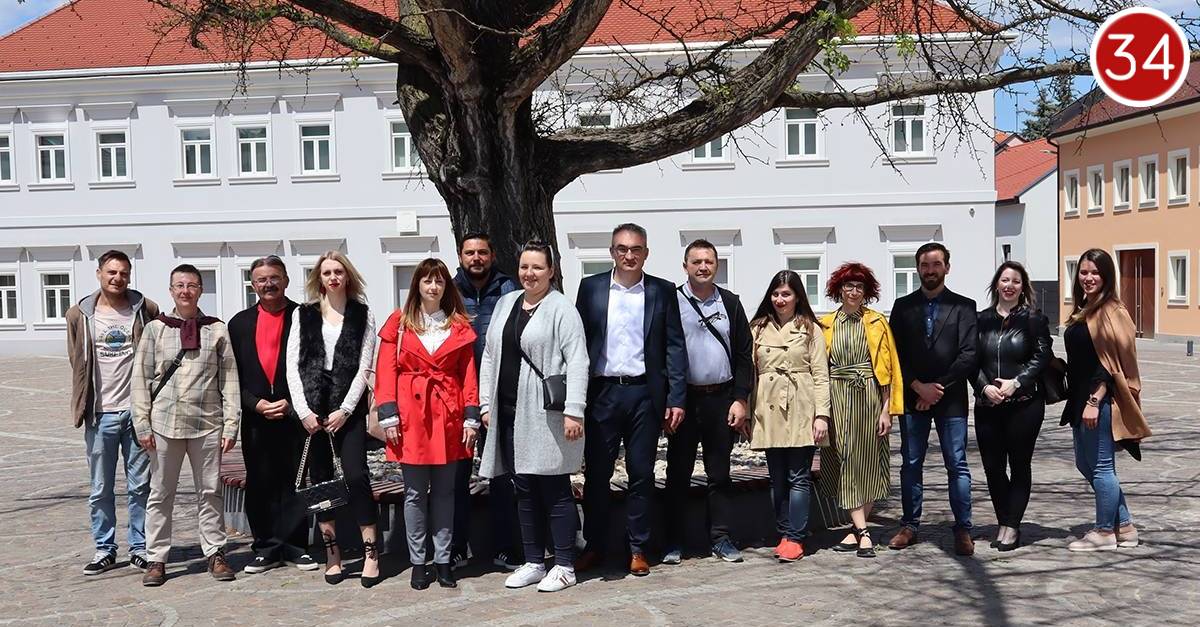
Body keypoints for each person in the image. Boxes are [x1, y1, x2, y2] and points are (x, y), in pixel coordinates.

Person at [574, 223, 688, 577]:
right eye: (622, 249)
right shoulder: (591, 288)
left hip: (644, 395)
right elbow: (578, 343)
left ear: (646, 253)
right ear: (612, 252)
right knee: (597, 474)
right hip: (602, 393)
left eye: (635, 249)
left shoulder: (661, 290)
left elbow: (674, 346)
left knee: (641, 473)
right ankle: (594, 545)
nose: (628, 255)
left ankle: (638, 547)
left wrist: (676, 397)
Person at [478, 241, 590, 592]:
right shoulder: (507, 302)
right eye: (524, 266)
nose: (529, 273)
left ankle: (565, 565)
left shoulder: (561, 308)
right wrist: (485, 404)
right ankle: (533, 561)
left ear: (551, 271)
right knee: (524, 489)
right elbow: (490, 356)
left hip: (547, 414)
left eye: (538, 267)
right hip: (509, 412)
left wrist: (575, 410)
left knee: (554, 488)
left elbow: (578, 360)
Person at [375, 258, 480, 590]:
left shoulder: (459, 325)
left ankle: (444, 560)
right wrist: (389, 415)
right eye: (427, 281)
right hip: (411, 418)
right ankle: (418, 562)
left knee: (446, 493)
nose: (433, 287)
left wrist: (471, 417)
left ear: (447, 286)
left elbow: (468, 376)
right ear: (417, 285)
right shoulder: (399, 322)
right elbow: (385, 372)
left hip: (448, 416)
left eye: (439, 281)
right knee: (415, 493)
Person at [133, 264, 240, 586]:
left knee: (209, 492)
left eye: (191, 285)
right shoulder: (155, 330)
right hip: (164, 424)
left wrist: (231, 425)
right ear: (171, 291)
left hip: (207, 424)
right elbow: (140, 379)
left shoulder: (216, 330)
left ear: (200, 290)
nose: (185, 291)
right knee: (160, 493)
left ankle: (215, 552)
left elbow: (229, 380)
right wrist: (142, 424)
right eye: (179, 285)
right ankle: (156, 558)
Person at [285, 251, 380, 587]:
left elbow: (365, 367)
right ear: (319, 278)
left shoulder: (363, 314)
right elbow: (292, 366)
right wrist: (303, 411)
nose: (333, 277)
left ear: (347, 275)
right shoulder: (303, 313)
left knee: (356, 476)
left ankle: (371, 553)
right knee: (322, 482)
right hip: (312, 409)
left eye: (338, 271)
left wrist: (347, 409)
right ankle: (332, 554)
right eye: (327, 273)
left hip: (346, 408)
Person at [67, 250, 160, 575]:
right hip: (100, 414)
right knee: (100, 488)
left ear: (129, 276)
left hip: (138, 414)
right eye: (111, 272)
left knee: (141, 487)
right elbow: (77, 360)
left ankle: (140, 547)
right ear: (99, 273)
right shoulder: (79, 314)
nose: (117, 278)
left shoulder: (145, 309)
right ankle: (104, 549)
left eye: (123, 273)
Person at [662, 240, 752, 565]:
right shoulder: (671, 301)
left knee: (720, 474)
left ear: (716, 265)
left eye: (709, 261)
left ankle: (721, 538)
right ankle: (673, 540)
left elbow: (744, 354)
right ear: (685, 266)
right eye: (696, 261)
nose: (703, 267)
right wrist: (668, 400)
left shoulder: (730, 302)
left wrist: (740, 399)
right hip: (683, 401)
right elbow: (660, 353)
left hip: (721, 399)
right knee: (678, 473)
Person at [227, 256, 317, 573]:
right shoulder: (238, 324)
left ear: (286, 280)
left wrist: (292, 403)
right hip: (256, 416)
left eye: (274, 278)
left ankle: (295, 547)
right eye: (262, 279)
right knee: (260, 482)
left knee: (295, 480)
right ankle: (265, 547)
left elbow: (313, 367)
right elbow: (231, 376)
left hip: (295, 414)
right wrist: (255, 404)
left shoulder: (305, 317)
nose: (269, 284)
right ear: (253, 284)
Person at [887, 242, 978, 556]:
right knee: (911, 463)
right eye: (925, 265)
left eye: (936, 264)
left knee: (957, 464)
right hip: (913, 399)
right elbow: (894, 353)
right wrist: (917, 386)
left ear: (947, 268)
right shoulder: (902, 307)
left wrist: (936, 388)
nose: (930, 270)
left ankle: (963, 528)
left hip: (950, 399)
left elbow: (969, 354)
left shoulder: (964, 306)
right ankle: (910, 525)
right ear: (917, 269)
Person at [1062, 249, 1151, 552]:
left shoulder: (1113, 311)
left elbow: (1114, 365)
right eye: (1083, 272)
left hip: (1099, 402)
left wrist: (1094, 399)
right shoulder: (1085, 309)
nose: (1088, 278)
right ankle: (1124, 527)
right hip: (1079, 399)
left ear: (1106, 276)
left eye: (1095, 273)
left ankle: (1103, 532)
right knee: (1085, 464)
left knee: (1101, 467)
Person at [817, 262, 903, 558]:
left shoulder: (877, 322)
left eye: (859, 287)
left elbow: (888, 368)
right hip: (837, 395)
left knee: (870, 462)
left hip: (869, 396)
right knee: (847, 459)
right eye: (848, 286)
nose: (853, 291)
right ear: (838, 289)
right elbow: (819, 368)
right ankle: (864, 532)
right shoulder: (826, 324)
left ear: (866, 291)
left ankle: (856, 531)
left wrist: (886, 410)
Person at [748, 270, 830, 563]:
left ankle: (796, 537)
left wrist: (822, 415)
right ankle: (783, 533)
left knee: (798, 475)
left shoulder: (811, 329)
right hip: (768, 408)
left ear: (798, 297)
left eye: (786, 294)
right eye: (776, 294)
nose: (780, 299)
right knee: (777, 478)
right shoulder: (757, 329)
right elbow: (749, 373)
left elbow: (821, 375)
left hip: (801, 405)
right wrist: (746, 411)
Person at [451, 233, 521, 571]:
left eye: (482, 252)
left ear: (492, 255)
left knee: (502, 476)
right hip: (457, 397)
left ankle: (507, 547)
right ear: (460, 256)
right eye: (470, 253)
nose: (476, 258)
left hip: (498, 396)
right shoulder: (450, 291)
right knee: (456, 476)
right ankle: (456, 547)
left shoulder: (509, 289)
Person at [972, 261, 1053, 551]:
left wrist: (1016, 382)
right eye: (1005, 280)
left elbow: (1042, 356)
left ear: (1023, 287)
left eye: (1016, 281)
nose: (1009, 286)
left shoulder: (1033, 319)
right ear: (996, 284)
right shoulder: (980, 320)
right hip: (988, 405)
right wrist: (984, 387)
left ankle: (1012, 526)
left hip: (1024, 405)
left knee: (1019, 465)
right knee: (993, 468)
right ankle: (1004, 520)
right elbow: (970, 359)